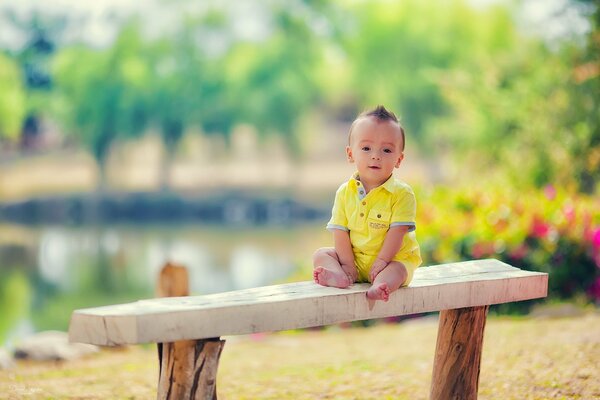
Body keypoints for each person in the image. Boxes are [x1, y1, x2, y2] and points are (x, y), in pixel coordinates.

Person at [313, 105, 422, 302]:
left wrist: (382, 261)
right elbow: (340, 232)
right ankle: (340, 276)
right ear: (350, 154)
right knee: (321, 255)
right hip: (355, 262)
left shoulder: (401, 194)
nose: (375, 155)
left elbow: (397, 233)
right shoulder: (345, 193)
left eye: (387, 150)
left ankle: (381, 286)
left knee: (399, 270)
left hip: (391, 260)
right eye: (366, 148)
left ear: (399, 159)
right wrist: (348, 266)